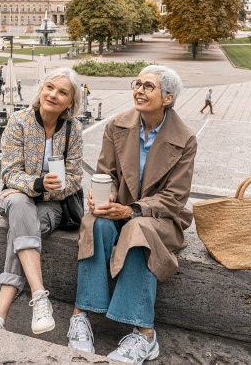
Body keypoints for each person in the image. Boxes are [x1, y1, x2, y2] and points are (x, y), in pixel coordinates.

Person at [67, 65, 196, 364]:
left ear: (168, 98)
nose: (138, 90)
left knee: (138, 229)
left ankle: (145, 335)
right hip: (120, 209)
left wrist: (132, 210)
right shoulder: (116, 126)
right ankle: (81, 314)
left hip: (160, 219)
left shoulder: (186, 138)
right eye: (137, 84)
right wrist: (105, 194)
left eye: (148, 86)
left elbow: (174, 198)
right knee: (96, 222)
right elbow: (106, 172)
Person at [0, 68, 84, 334]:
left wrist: (50, 190)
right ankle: (39, 295)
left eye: (62, 92)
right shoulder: (19, 121)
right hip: (16, 198)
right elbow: (9, 172)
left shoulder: (73, 130)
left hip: (52, 205)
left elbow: (74, 178)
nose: (53, 94)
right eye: (50, 87)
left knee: (22, 231)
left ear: (71, 102)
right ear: (41, 89)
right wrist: (37, 185)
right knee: (18, 204)